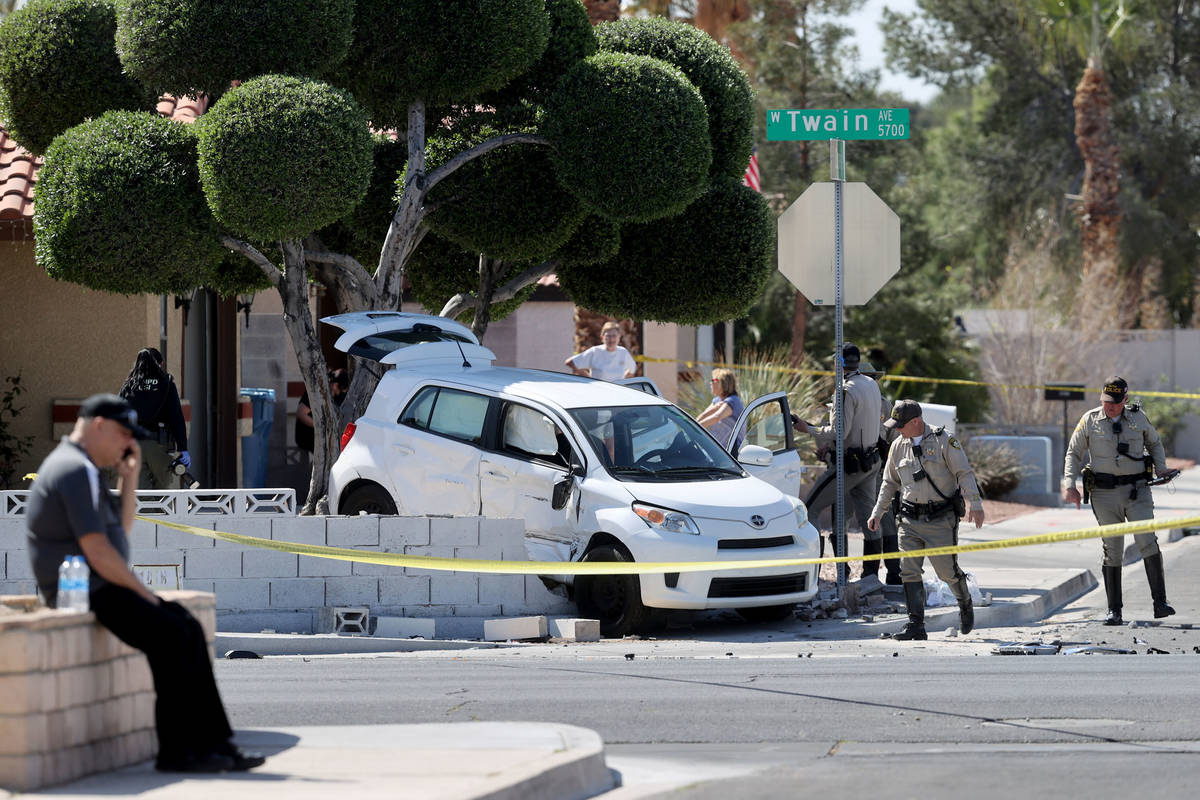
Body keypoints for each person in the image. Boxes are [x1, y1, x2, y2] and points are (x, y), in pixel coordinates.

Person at [24, 394, 264, 773]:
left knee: (185, 626)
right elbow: (98, 550)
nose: (128, 444)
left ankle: (215, 745)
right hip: (82, 590)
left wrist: (130, 476)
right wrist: (144, 594)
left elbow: (118, 533)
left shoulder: (83, 468)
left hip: (96, 585)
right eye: (123, 435)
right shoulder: (72, 470)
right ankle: (179, 752)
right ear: (99, 426)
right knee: (172, 633)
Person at [869, 400, 985, 640]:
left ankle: (964, 602)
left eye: (901, 425)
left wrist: (975, 503)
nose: (897, 430)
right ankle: (916, 625)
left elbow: (964, 473)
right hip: (909, 519)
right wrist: (877, 512)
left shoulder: (944, 441)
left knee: (947, 572)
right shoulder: (898, 446)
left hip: (940, 519)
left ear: (916, 421)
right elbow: (889, 482)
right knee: (908, 571)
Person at [1062, 376, 1173, 625]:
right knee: (1112, 549)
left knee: (1147, 541)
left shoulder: (1138, 418)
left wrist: (1161, 468)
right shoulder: (1089, 419)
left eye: (1114, 401)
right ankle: (1114, 611)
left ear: (1125, 399)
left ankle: (1160, 603)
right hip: (1104, 493)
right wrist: (1069, 484)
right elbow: (1073, 452)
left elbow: (1154, 443)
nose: (1109, 406)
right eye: (1105, 401)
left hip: (1137, 491)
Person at [791, 342, 883, 566]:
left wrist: (808, 428)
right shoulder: (871, 383)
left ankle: (813, 570)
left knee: (809, 509)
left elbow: (839, 432)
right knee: (869, 519)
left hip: (850, 465)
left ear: (839, 363)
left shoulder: (845, 390)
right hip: (871, 462)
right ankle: (871, 575)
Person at [118, 348, 188, 489]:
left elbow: (118, 415)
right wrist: (183, 448)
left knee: (142, 494)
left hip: (135, 445)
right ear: (161, 364)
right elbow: (176, 417)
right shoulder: (166, 383)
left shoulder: (129, 385)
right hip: (160, 445)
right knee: (163, 493)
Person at [859, 360, 902, 585]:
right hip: (856, 470)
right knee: (864, 519)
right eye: (869, 378)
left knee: (884, 520)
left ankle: (888, 573)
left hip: (879, 471)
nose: (872, 382)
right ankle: (868, 573)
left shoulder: (885, 406)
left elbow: (895, 441)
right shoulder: (852, 400)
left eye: (874, 378)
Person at [296, 368, 349, 454]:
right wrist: (322, 427)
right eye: (341, 389)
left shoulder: (338, 396)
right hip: (307, 436)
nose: (342, 392)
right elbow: (301, 414)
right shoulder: (316, 393)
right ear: (335, 385)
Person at [565, 321, 636, 382]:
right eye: (608, 336)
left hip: (617, 391)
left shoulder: (623, 352)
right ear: (602, 337)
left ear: (619, 337)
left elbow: (632, 370)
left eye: (614, 336)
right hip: (599, 390)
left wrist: (622, 381)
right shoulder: (595, 351)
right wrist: (588, 377)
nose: (611, 339)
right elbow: (570, 362)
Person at [696, 368, 745, 449]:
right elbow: (701, 417)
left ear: (723, 383)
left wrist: (695, 427)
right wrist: (692, 426)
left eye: (713, 380)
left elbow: (717, 417)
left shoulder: (733, 400)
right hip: (717, 450)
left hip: (731, 451)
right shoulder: (717, 400)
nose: (710, 383)